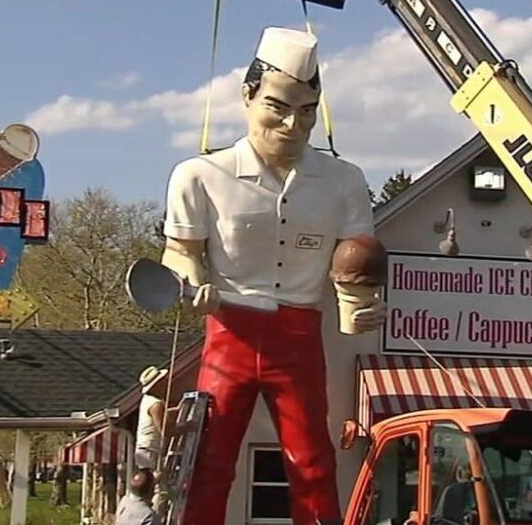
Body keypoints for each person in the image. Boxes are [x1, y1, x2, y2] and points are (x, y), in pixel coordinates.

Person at [160, 26, 386, 525]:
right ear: (248, 95)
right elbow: (179, 251)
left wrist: (360, 303)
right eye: (277, 107)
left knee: (313, 461)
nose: (291, 124)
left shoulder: (343, 180)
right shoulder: (200, 175)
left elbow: (357, 258)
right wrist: (191, 281)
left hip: (300, 334)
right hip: (230, 330)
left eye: (306, 111)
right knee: (208, 459)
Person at [133, 365, 168, 471]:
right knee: (153, 478)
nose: (166, 382)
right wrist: (187, 426)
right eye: (162, 381)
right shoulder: (155, 404)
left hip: (144, 448)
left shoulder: (147, 400)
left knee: (146, 476)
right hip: (150, 450)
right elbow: (164, 430)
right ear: (156, 385)